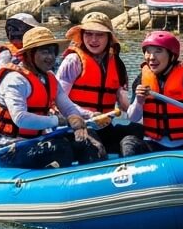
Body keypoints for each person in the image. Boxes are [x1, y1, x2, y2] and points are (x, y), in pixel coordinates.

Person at [0, 27, 102, 169]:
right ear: (29, 54)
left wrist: (76, 118)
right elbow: (20, 119)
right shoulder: (15, 80)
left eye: (53, 52)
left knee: (89, 141)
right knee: (61, 149)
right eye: (45, 52)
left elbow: (67, 106)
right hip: (7, 146)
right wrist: (60, 121)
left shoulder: (49, 77)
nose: (51, 57)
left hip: (36, 139)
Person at [57, 13, 135, 159]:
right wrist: (89, 114)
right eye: (89, 34)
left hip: (105, 127)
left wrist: (141, 104)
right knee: (96, 149)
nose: (93, 40)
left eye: (100, 35)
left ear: (109, 38)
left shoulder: (117, 64)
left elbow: (124, 105)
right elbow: (59, 101)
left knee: (136, 134)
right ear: (82, 36)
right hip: (76, 126)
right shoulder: (73, 61)